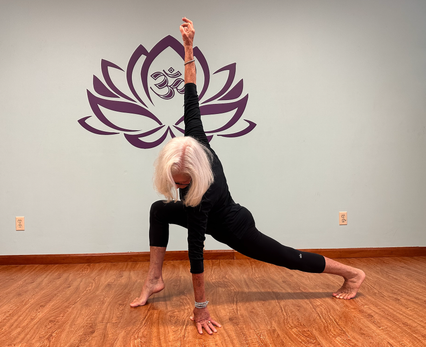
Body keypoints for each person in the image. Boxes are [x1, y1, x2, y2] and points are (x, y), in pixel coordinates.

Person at [130, 17, 366, 335]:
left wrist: (201, 309)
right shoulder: (193, 141)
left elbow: (195, 251)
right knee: (159, 210)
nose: (177, 185)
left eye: (183, 182)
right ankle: (154, 280)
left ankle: (351, 273)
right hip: (208, 215)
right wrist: (188, 48)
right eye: (174, 179)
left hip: (233, 226)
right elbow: (190, 94)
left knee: (287, 257)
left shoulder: (206, 192)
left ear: (197, 174)